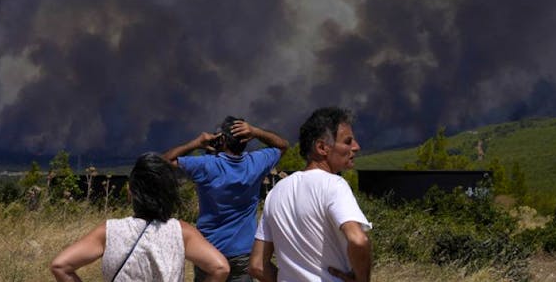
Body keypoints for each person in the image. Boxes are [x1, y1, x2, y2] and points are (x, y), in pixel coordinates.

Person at [51, 152, 229, 282]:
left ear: (131, 193)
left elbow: (60, 266)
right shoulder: (182, 232)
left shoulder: (110, 231)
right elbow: (220, 267)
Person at [249, 108, 371, 282]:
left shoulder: (276, 191)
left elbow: (257, 266)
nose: (356, 147)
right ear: (322, 147)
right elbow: (358, 240)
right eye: (348, 141)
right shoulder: (334, 185)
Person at [163, 116, 289, 281]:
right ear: (246, 139)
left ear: (222, 140)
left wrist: (197, 142)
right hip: (243, 252)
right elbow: (283, 145)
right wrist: (256, 131)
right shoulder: (256, 163)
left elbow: (163, 162)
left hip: (209, 251)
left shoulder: (206, 166)